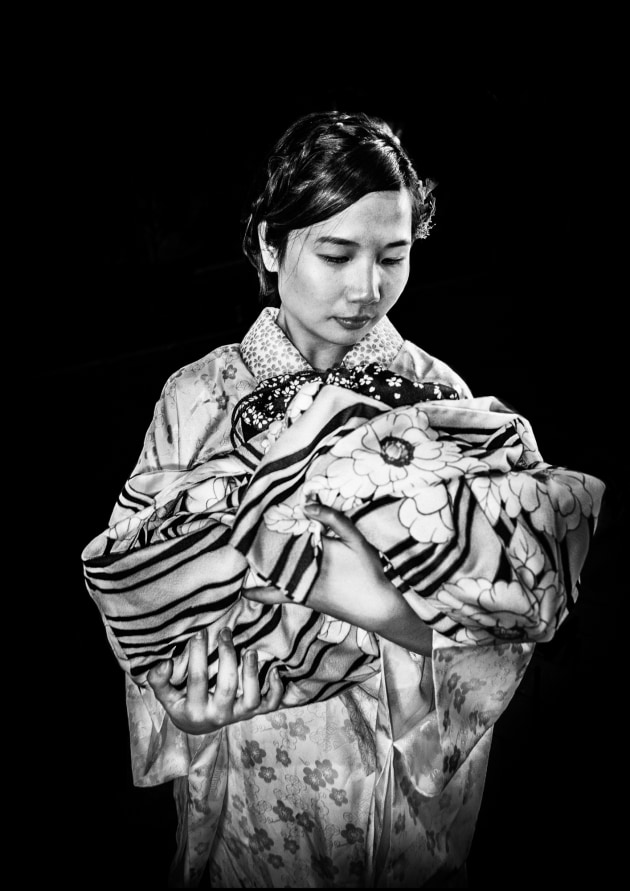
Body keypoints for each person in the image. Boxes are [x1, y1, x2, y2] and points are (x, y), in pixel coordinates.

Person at [81, 111, 604, 888]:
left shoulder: (439, 398)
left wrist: (383, 606)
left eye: (392, 257)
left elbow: (505, 608)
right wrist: (180, 706)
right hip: (250, 773)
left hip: (387, 798)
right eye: (335, 253)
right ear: (268, 244)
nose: (368, 289)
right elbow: (136, 585)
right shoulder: (195, 397)